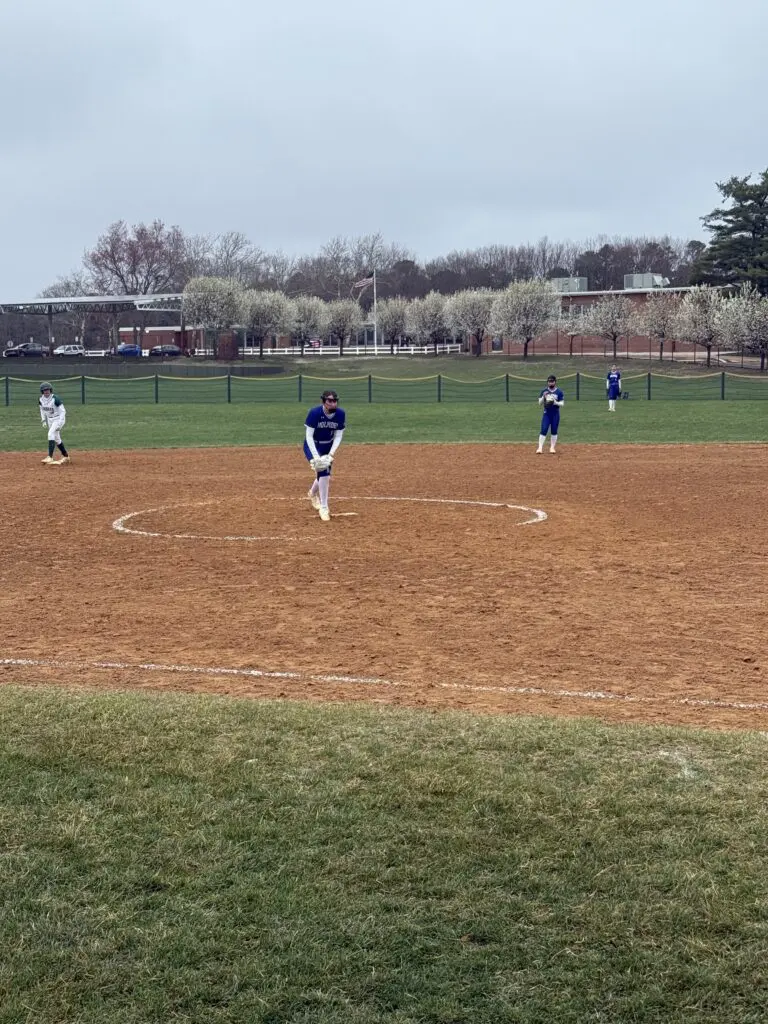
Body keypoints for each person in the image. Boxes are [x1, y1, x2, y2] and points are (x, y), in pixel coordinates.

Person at [304, 389, 345, 521]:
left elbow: (338, 436)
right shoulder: (315, 413)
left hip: (328, 446)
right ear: (324, 401)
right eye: (330, 401)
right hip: (313, 445)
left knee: (324, 473)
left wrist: (331, 454)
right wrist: (316, 456)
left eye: (335, 401)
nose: (333, 403)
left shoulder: (340, 414)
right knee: (323, 472)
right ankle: (324, 507)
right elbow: (309, 436)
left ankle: (312, 493)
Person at [39, 382, 70, 466]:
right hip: (50, 420)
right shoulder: (41, 399)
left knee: (50, 434)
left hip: (58, 418)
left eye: (48, 390)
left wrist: (60, 423)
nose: (46, 391)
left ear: (50, 390)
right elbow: (42, 410)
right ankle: (66, 456)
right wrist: (43, 420)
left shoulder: (55, 399)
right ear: (42, 391)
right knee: (57, 439)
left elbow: (63, 411)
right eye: (44, 390)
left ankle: (50, 457)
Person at [536, 375, 564, 454]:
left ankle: (552, 447)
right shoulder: (544, 391)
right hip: (547, 414)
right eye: (549, 382)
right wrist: (543, 397)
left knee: (554, 430)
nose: (550, 383)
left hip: (555, 414)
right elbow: (539, 403)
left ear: (555, 382)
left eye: (552, 381)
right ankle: (540, 448)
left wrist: (555, 402)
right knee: (544, 429)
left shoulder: (559, 392)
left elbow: (562, 404)